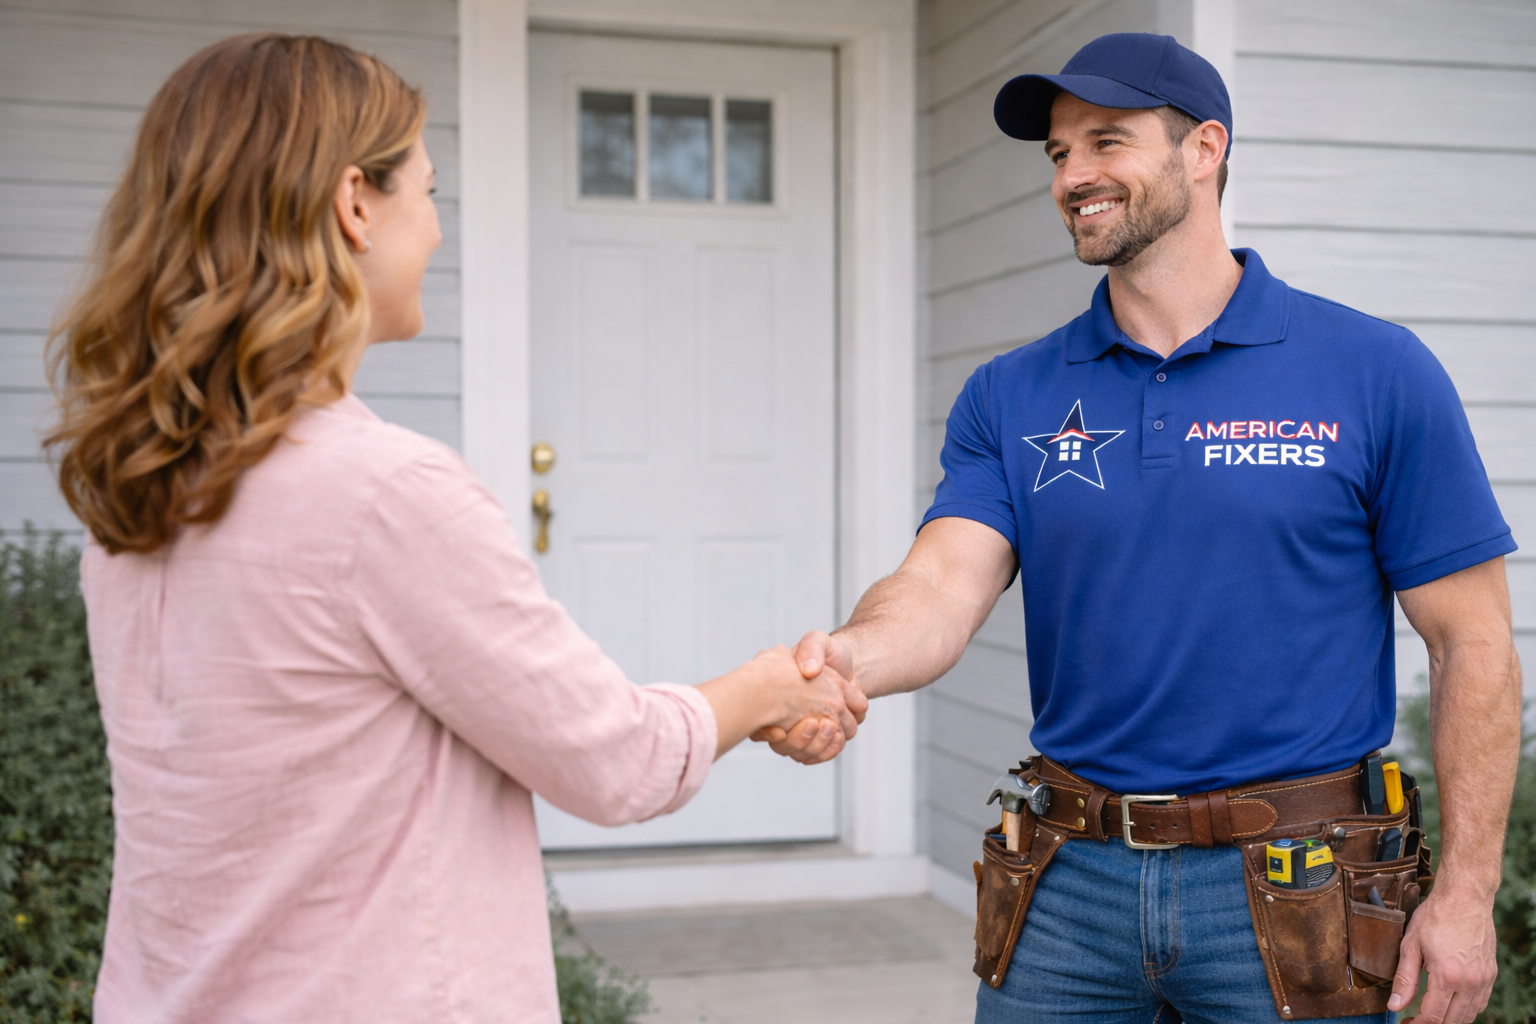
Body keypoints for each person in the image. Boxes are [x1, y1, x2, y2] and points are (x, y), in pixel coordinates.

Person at [44, 34, 863, 1023]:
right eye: (427, 193)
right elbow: (618, 760)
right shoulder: (383, 493)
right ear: (354, 205)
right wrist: (771, 686)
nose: (435, 231)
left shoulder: (135, 496)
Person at [763, 32, 1521, 1024]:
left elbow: (1472, 642)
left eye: (1105, 142)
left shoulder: (1375, 371)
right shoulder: (1014, 391)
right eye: (1057, 154)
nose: (1072, 175)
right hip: (1067, 884)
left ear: (1203, 149)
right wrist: (850, 657)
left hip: (1299, 890)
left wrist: (1465, 896)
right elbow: (940, 587)